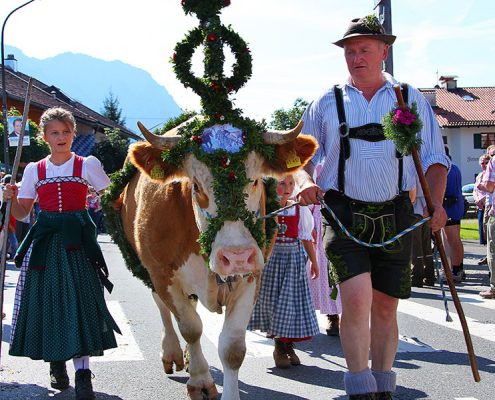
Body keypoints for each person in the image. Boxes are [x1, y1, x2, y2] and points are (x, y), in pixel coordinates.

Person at [295, 14, 449, 400]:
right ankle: (359, 386)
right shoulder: (325, 102)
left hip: (397, 215)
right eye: (349, 51)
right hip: (343, 215)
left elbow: (434, 158)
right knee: (357, 297)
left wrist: (435, 204)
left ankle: (382, 383)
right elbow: (300, 160)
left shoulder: (409, 98)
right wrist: (306, 182)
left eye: (364, 49)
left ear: (384, 51)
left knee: (385, 305)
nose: (356, 57)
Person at [3, 107, 121, 400]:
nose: (62, 137)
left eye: (67, 132)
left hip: (78, 240)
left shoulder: (87, 165)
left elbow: (112, 198)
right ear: (45, 137)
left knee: (80, 301)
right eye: (55, 133)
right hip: (45, 242)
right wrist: (12, 198)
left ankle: (83, 375)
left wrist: (114, 203)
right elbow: (23, 212)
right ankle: (57, 364)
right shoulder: (34, 170)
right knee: (49, 301)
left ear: (72, 134)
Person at [248, 175, 320, 369]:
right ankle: (279, 346)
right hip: (272, 261)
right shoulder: (266, 208)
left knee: (291, 305)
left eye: (290, 184)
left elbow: (305, 236)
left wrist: (314, 261)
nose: (287, 188)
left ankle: (288, 344)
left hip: (293, 261)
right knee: (275, 305)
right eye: (282, 184)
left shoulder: (298, 207)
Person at [441, 147, 465, 283]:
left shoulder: (446, 168)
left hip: (449, 206)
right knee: (455, 240)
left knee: (451, 241)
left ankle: (455, 269)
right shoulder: (454, 167)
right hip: (455, 205)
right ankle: (458, 268)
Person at [477, 146, 495, 299]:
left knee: (493, 250)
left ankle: (494, 287)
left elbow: (489, 186)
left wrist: (480, 186)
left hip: (493, 209)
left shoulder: (494, 162)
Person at [410, 178, 435, 287]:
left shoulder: (414, 168)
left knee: (416, 247)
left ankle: (417, 276)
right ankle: (429, 275)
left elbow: (412, 191)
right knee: (425, 245)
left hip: (416, 210)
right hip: (425, 209)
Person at [473, 154, 490, 264]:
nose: (484, 165)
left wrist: (482, 200)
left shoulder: (491, 175)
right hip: (480, 207)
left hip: (487, 205)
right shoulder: (479, 175)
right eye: (482, 163)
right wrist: (476, 199)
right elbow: (475, 189)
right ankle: (487, 255)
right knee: (483, 233)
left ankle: (490, 256)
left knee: (489, 233)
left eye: (486, 163)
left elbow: (490, 190)